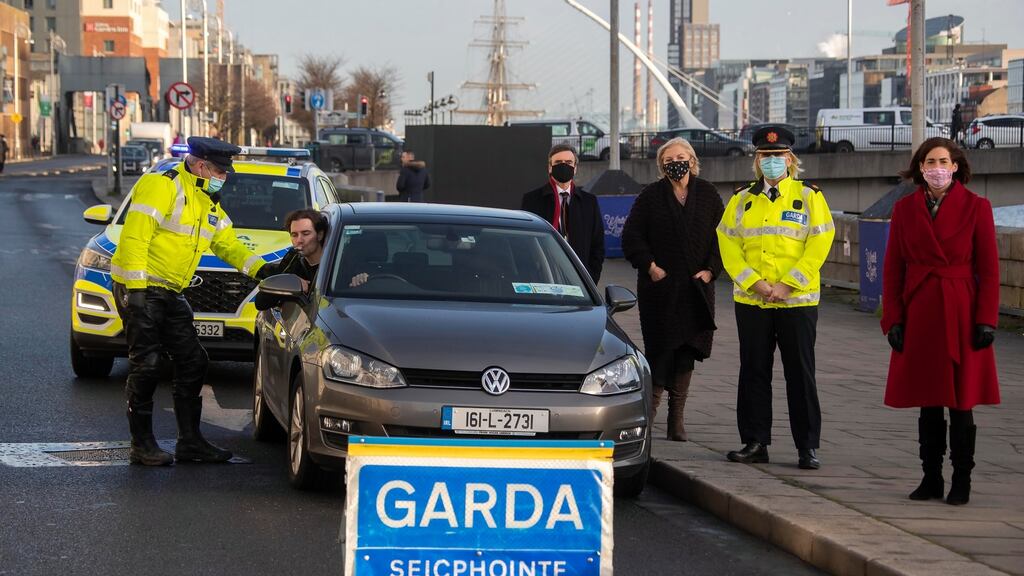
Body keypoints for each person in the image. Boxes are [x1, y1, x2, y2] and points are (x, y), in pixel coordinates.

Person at [111, 136, 269, 466]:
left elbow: (228, 244)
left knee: (193, 361)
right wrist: (136, 290)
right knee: (148, 364)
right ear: (199, 165)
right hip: (142, 287)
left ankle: (190, 443)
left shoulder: (205, 200)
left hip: (170, 291)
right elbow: (135, 236)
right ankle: (141, 444)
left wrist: (265, 270)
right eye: (219, 171)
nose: (223, 177)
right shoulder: (163, 185)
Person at [881, 137, 1000, 506]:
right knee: (928, 400)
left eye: (943, 161)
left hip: (961, 309)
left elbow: (990, 270)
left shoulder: (977, 207)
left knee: (961, 401)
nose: (936, 168)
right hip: (920, 309)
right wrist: (893, 320)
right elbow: (892, 269)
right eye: (930, 161)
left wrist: (986, 319)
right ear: (920, 167)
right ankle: (930, 476)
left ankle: (961, 479)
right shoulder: (904, 209)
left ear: (955, 166)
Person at [716, 125, 835, 470]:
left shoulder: (810, 196)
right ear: (757, 160)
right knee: (754, 371)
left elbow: (819, 243)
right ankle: (755, 441)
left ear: (790, 159)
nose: (771, 162)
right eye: (765, 157)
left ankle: (807, 446)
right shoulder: (742, 199)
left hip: (796, 302)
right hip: (753, 301)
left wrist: (789, 284)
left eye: (777, 156)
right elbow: (728, 244)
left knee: (800, 373)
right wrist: (753, 282)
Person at [621, 137, 724, 441]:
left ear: (692, 160)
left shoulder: (708, 194)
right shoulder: (650, 196)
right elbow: (632, 236)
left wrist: (711, 270)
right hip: (661, 290)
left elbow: (724, 236)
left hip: (695, 289)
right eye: (669, 158)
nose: (675, 162)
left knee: (687, 351)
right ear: (661, 164)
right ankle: (650, 413)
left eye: (681, 156)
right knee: (660, 349)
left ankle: (676, 417)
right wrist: (650, 266)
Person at [521, 144, 605, 283]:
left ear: (575, 168)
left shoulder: (589, 202)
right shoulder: (532, 200)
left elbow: (597, 245)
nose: (564, 166)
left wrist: (590, 278)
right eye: (558, 162)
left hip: (580, 278)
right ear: (550, 167)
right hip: (543, 277)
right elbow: (524, 243)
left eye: (569, 162)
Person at [254, 209, 328, 310]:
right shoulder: (294, 259)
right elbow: (260, 302)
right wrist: (290, 281)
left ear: (319, 235)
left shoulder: (337, 264)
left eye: (306, 234)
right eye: (294, 235)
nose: (299, 240)